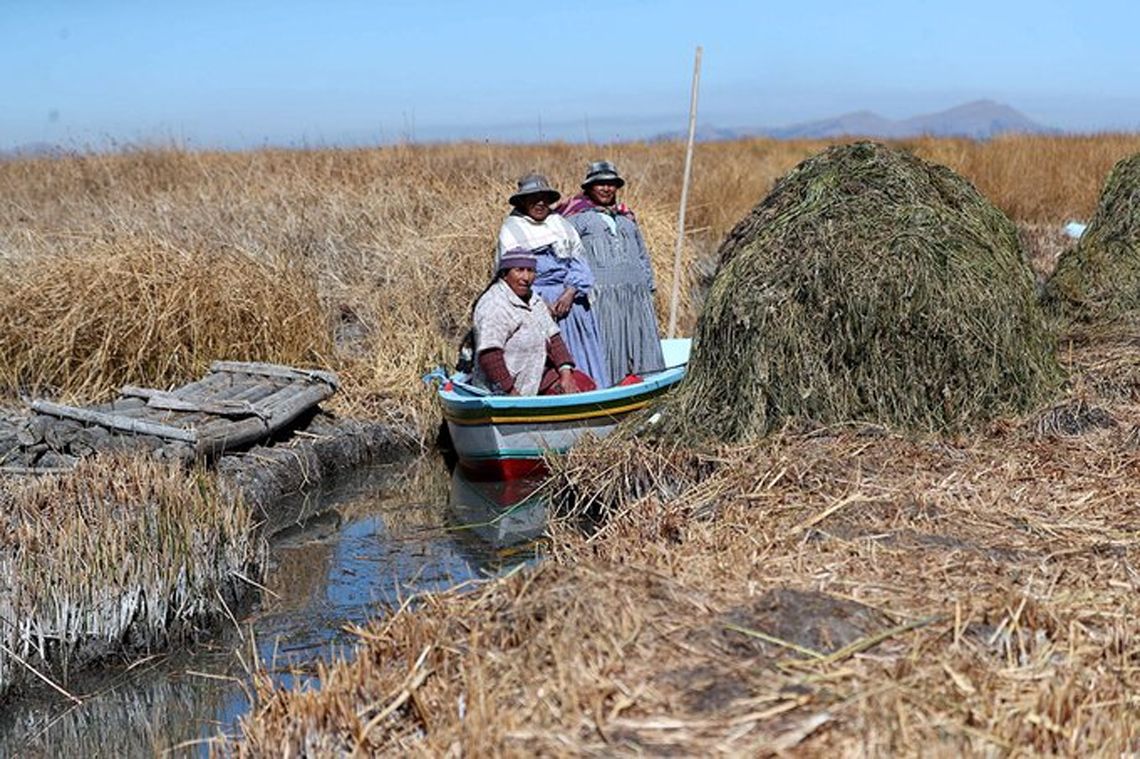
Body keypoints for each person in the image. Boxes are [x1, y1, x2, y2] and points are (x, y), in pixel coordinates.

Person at [496, 172, 610, 388]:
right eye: (533, 198)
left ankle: (590, 392)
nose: (540, 203)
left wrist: (570, 292)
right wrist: (538, 304)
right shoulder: (511, 230)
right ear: (522, 201)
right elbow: (511, 276)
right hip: (535, 303)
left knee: (580, 351)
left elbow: (580, 264)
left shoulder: (561, 225)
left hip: (570, 302)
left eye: (544, 198)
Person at [558, 160, 665, 387]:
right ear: (589, 188)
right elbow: (567, 257)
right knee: (609, 341)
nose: (606, 189)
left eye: (611, 184)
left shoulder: (627, 219)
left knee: (639, 338)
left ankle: (645, 384)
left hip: (635, 292)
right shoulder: (576, 220)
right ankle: (609, 388)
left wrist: (648, 285)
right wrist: (575, 288)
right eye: (600, 184)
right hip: (601, 295)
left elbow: (642, 253)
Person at [471, 248, 590, 396]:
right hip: (502, 390)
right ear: (505, 274)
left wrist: (566, 375)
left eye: (531, 271)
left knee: (584, 384)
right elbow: (490, 354)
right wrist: (511, 393)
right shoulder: (494, 305)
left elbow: (554, 338)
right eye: (519, 270)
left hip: (535, 378)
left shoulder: (534, 300)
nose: (526, 277)